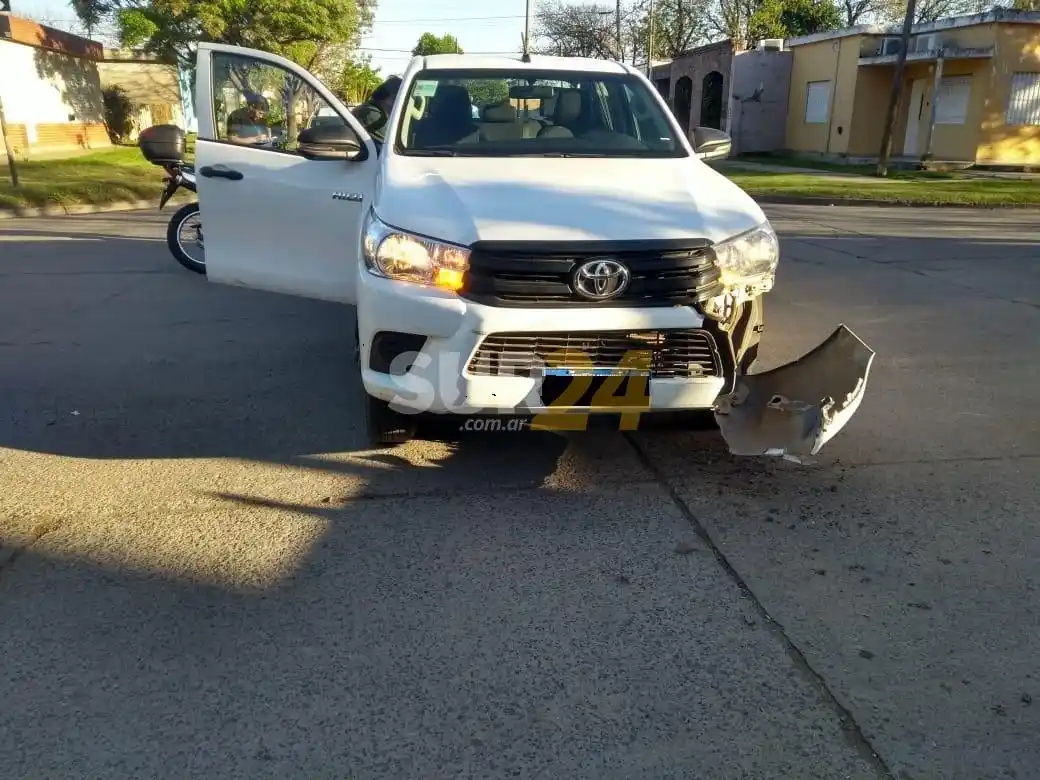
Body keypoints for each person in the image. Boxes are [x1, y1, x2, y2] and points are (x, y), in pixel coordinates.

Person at [351, 76, 402, 143]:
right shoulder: (371, 114)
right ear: (390, 96)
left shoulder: (374, 110)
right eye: (400, 95)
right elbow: (388, 147)